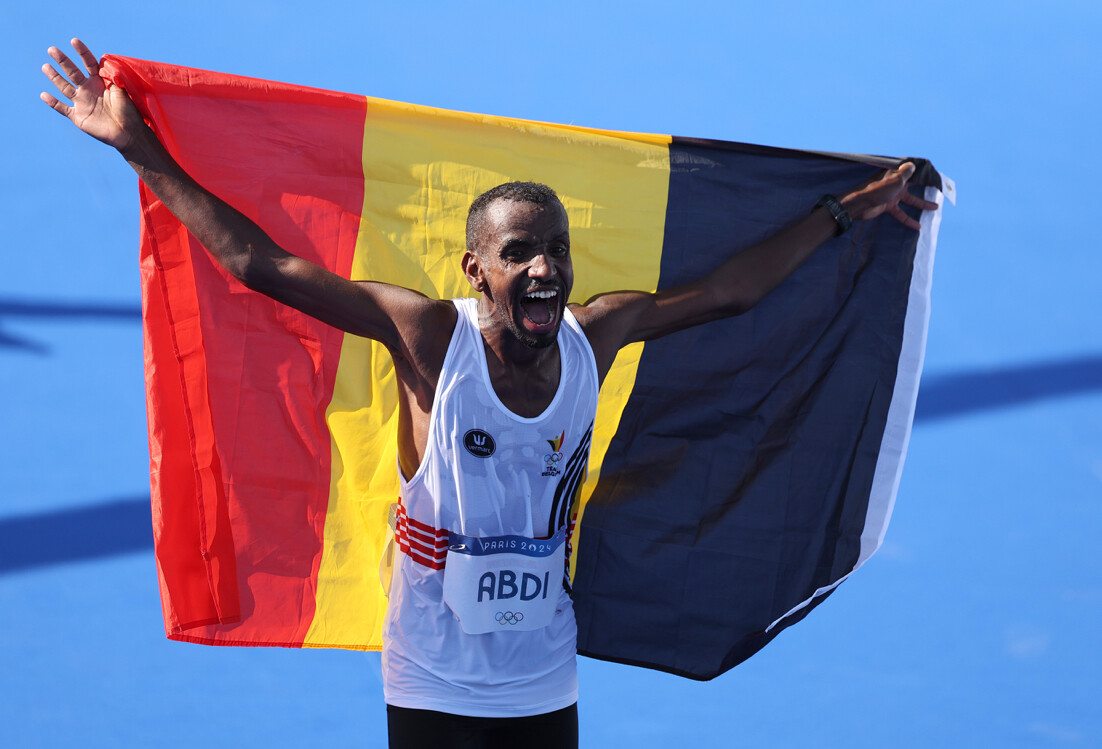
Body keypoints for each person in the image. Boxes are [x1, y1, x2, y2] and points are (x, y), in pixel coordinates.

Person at [42, 39, 938, 749]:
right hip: (429, 674)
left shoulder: (597, 334)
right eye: (519, 253)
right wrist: (137, 147)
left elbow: (729, 294)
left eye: (556, 249)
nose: (544, 268)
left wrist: (842, 212)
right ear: (476, 270)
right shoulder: (429, 338)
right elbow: (258, 263)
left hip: (542, 673)